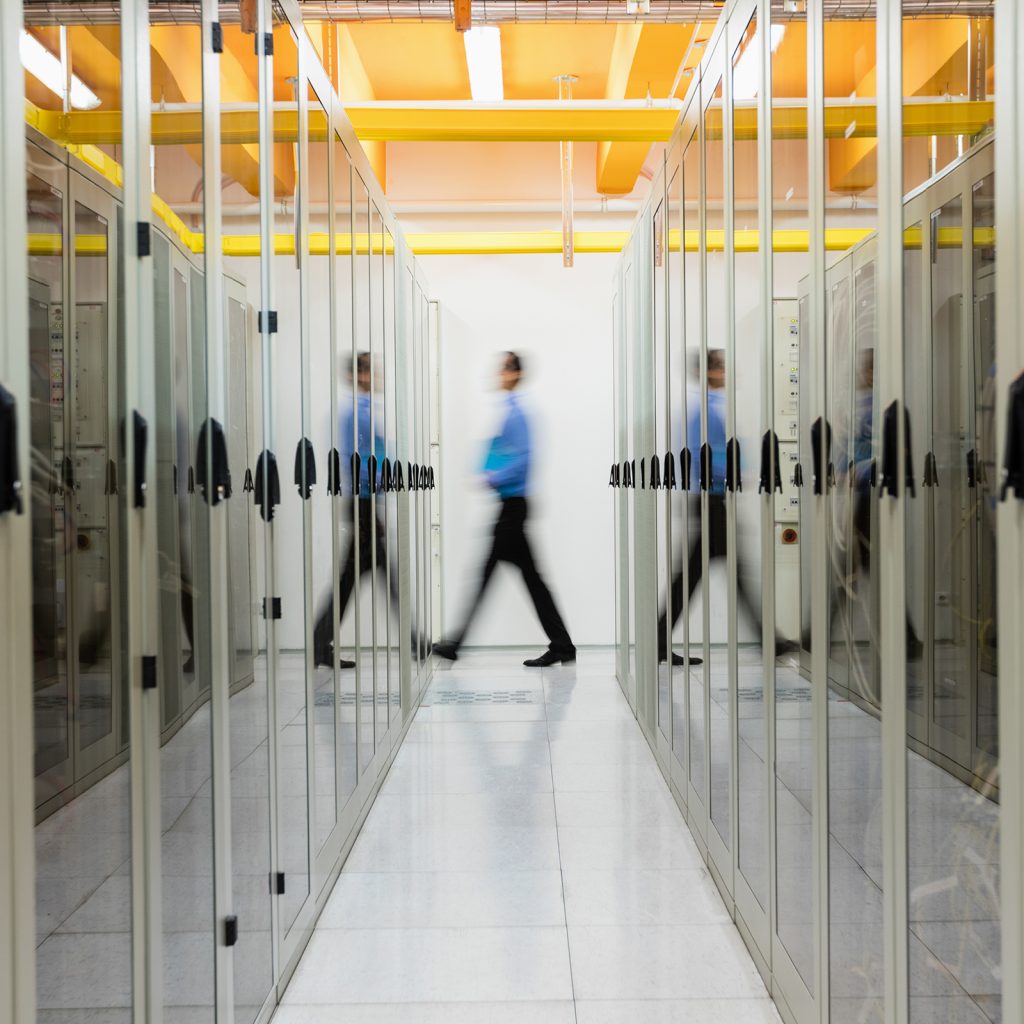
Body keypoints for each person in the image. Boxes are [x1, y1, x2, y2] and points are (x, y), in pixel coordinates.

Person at [433, 352, 576, 667]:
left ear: (515, 373)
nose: (498, 373)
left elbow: (525, 458)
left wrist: (491, 475)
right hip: (511, 506)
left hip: (513, 507)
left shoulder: (518, 414)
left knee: (489, 574)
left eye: (503, 368)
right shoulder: (510, 412)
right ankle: (563, 646)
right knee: (529, 580)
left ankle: (456, 642)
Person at [657, 348, 760, 666]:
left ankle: (658, 639)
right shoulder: (706, 410)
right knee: (695, 574)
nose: (728, 372)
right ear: (710, 372)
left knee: (699, 573)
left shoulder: (712, 407)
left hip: (712, 498)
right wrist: (732, 475)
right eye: (722, 366)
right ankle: (767, 638)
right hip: (710, 499)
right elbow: (705, 454)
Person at [312, 351, 398, 670]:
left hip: (367, 501)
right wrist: (379, 479)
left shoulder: (366, 411)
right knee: (369, 575)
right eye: (367, 372)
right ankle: (414, 639)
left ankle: (320, 642)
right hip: (362, 501)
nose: (373, 377)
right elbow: (353, 458)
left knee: (354, 577)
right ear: (354, 376)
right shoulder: (354, 414)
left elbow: (376, 452)